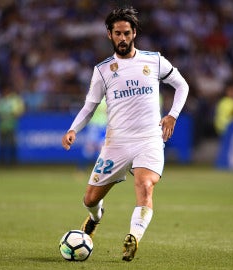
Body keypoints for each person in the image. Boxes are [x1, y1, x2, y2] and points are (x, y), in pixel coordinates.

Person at [61, 7, 189, 262]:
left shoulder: (154, 60)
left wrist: (172, 114)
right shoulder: (103, 70)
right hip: (116, 143)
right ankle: (95, 219)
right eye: (117, 33)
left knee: (145, 185)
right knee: (89, 199)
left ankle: (133, 238)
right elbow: (90, 106)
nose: (122, 38)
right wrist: (73, 128)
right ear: (109, 35)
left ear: (134, 34)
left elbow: (182, 85)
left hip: (149, 139)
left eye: (126, 33)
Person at [0, 84, 25, 164]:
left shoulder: (12, 101)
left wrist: (8, 115)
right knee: (1, 145)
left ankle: (13, 162)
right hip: (2, 127)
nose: (5, 93)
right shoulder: (0, 102)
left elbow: (17, 113)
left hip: (11, 126)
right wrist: (7, 114)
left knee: (12, 144)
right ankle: (2, 161)